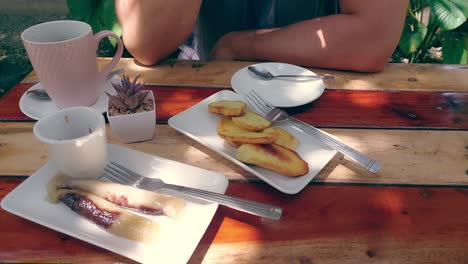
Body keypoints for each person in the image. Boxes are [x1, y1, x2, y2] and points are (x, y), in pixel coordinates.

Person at [115, 0, 408, 72]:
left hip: (327, 88)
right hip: (207, 94)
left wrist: (239, 45)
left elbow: (373, 35)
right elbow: (148, 41)